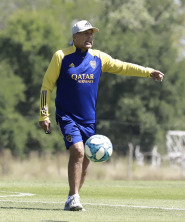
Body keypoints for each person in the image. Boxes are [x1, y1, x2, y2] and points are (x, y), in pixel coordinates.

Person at [39, 20, 164, 211]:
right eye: (85, 33)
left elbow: (123, 66)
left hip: (88, 119)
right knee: (78, 151)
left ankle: (73, 197)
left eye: (92, 33)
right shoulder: (61, 56)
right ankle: (73, 197)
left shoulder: (98, 58)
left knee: (87, 157)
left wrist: (148, 72)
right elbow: (46, 86)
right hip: (67, 116)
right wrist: (44, 115)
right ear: (75, 37)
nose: (90, 37)